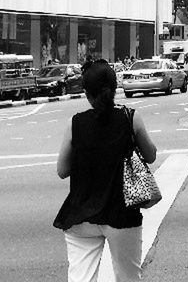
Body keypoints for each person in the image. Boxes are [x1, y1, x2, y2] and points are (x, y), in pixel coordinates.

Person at [54, 59, 157, 282]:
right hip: (121, 214)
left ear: (86, 92)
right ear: (114, 88)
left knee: (81, 278)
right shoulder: (130, 117)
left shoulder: (76, 123)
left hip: (81, 216)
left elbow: (62, 170)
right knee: (128, 277)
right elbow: (151, 156)